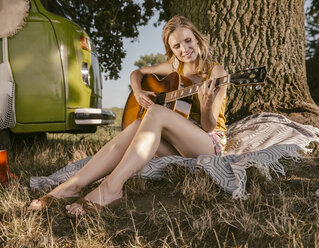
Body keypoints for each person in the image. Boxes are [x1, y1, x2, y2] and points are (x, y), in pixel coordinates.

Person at [28, 15, 228, 216]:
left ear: (197, 39)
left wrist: (207, 103)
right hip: (179, 142)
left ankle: (111, 188)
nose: (184, 49)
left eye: (188, 41)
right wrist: (139, 92)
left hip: (208, 143)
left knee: (156, 112)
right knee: (137, 126)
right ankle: (73, 185)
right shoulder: (177, 66)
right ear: (171, 50)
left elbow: (210, 126)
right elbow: (137, 73)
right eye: (176, 46)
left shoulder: (217, 72)